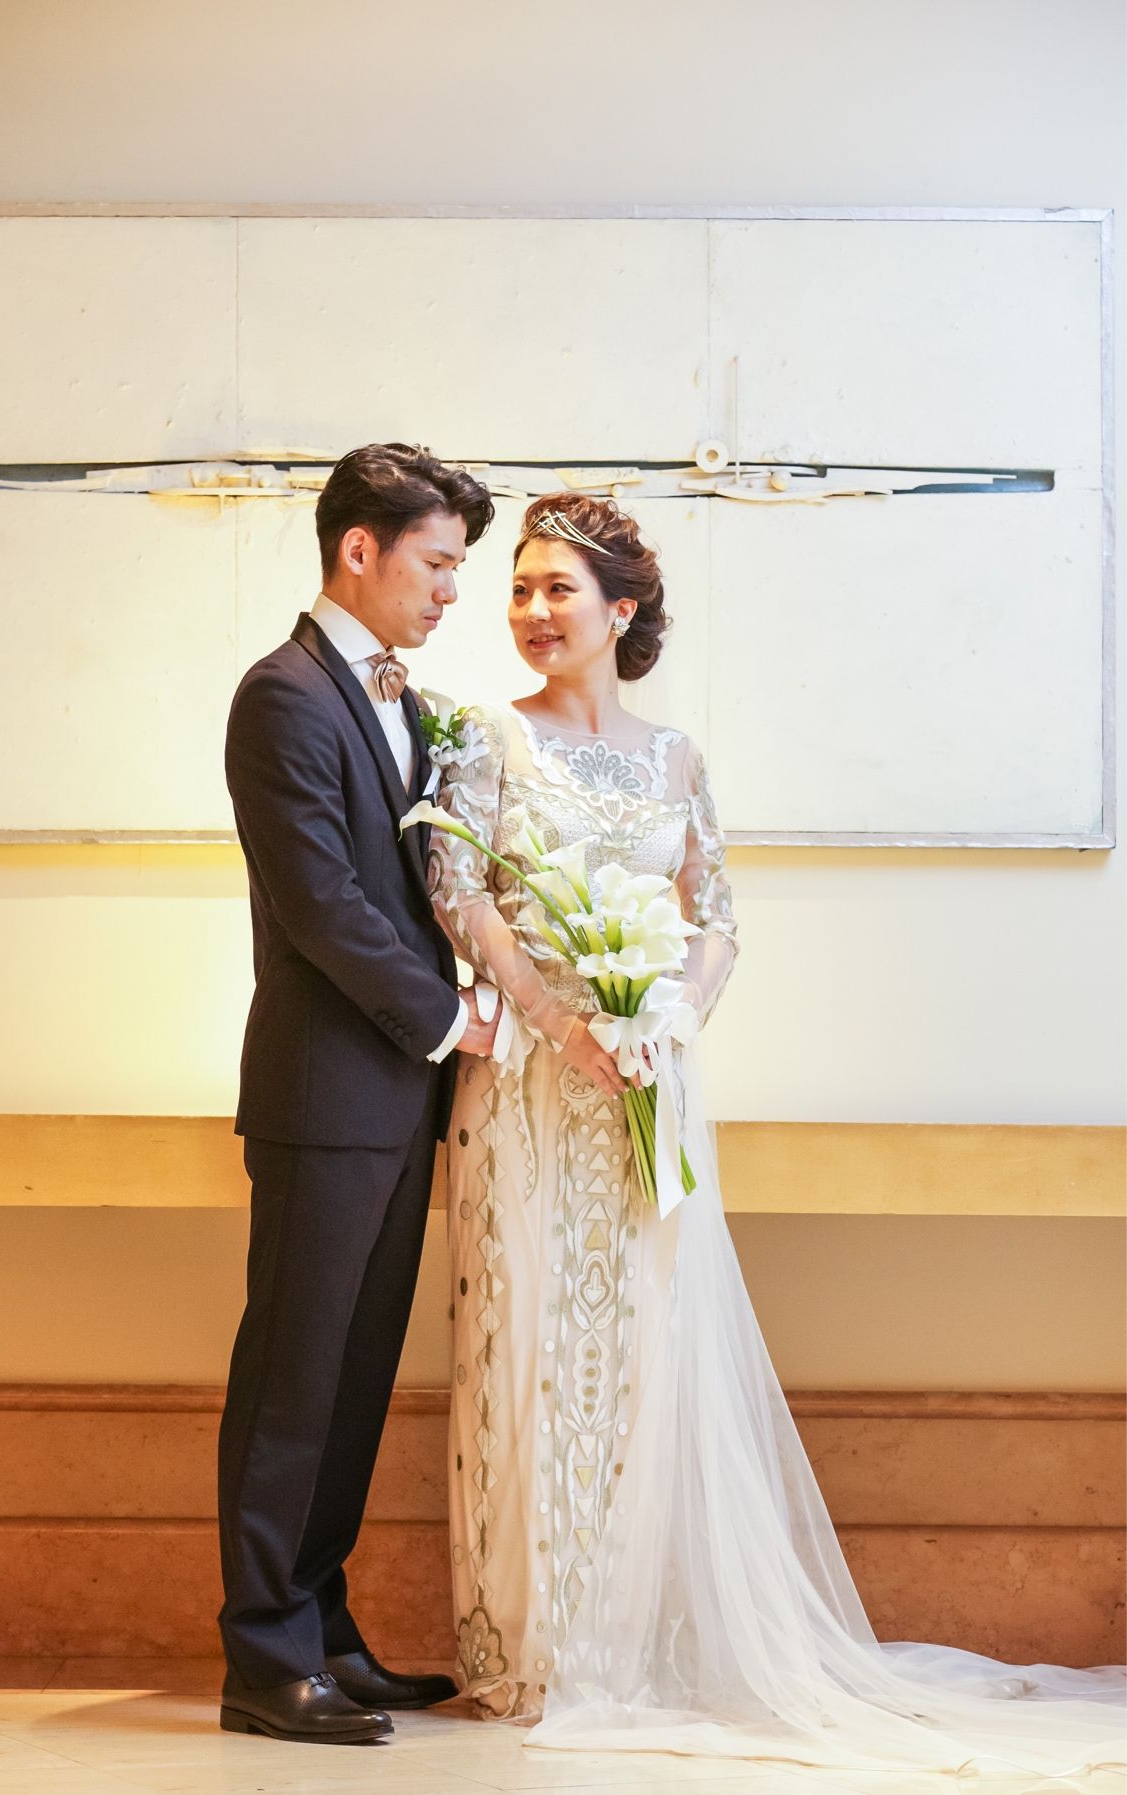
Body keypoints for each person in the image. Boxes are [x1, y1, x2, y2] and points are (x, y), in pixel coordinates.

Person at [428, 490, 1125, 1779]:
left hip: (648, 1084)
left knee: (646, 1347)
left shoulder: (676, 757)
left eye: (557, 589)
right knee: (528, 1345)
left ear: (621, 611)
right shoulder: (486, 738)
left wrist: (667, 1021)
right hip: (530, 1084)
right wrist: (561, 1020)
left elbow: (718, 921)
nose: (530, 611)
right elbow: (458, 892)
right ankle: (534, 1651)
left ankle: (631, 1642)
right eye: (516, 589)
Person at [217, 443, 499, 1746]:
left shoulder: (402, 700)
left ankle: (323, 1631)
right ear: (359, 549)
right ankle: (263, 1658)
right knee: (292, 1378)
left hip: (395, 1102)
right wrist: (454, 1018)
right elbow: (322, 904)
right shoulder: (280, 696)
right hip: (325, 1098)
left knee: (353, 1381)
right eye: (437, 563)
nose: (451, 590)